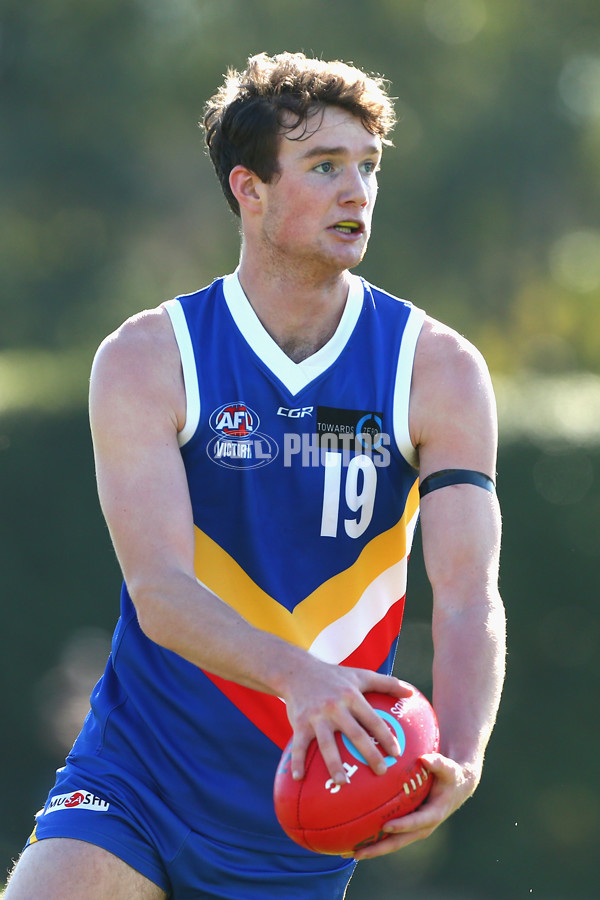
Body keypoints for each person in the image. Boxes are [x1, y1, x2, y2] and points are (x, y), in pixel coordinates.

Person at [5, 52, 505, 900]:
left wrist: (462, 752)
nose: (357, 191)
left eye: (368, 167)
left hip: (312, 798)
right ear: (250, 189)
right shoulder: (149, 358)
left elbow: (466, 596)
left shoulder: (438, 369)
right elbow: (159, 589)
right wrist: (300, 677)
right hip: (140, 774)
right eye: (324, 167)